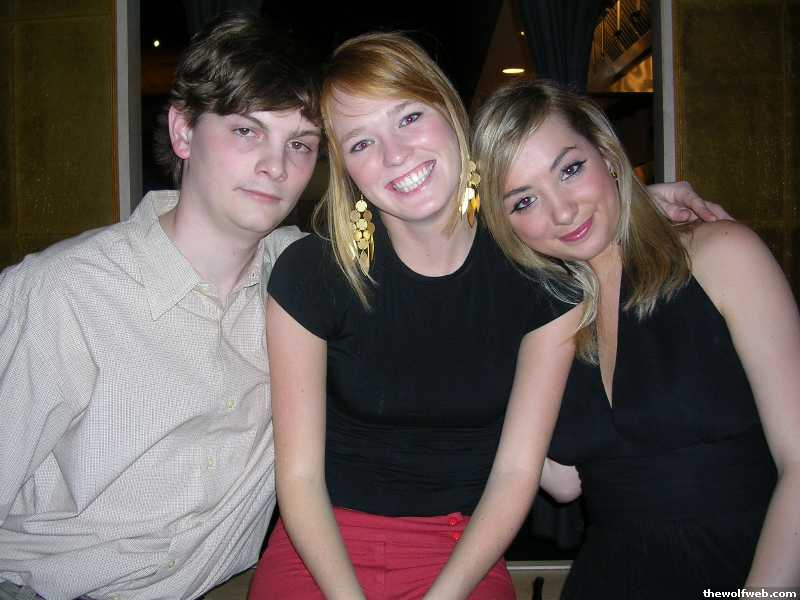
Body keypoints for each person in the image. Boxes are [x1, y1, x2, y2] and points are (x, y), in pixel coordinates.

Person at [247, 32, 728, 600]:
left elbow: (515, 473)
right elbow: (299, 479)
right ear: (346, 169)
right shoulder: (311, 274)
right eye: (361, 143)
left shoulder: (539, 279)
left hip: (463, 552)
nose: (395, 155)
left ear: (452, 114)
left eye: (409, 117)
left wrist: (643, 199)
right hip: (321, 550)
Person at [0, 14, 321, 600]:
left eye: (299, 144)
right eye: (246, 131)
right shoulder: (62, 292)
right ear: (183, 131)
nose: (276, 167)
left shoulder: (303, 282)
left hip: (223, 584)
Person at [472, 79, 800, 598]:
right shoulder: (551, 323)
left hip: (745, 569)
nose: (562, 212)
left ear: (607, 154)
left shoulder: (721, 256)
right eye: (524, 201)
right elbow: (563, 481)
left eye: (570, 169)